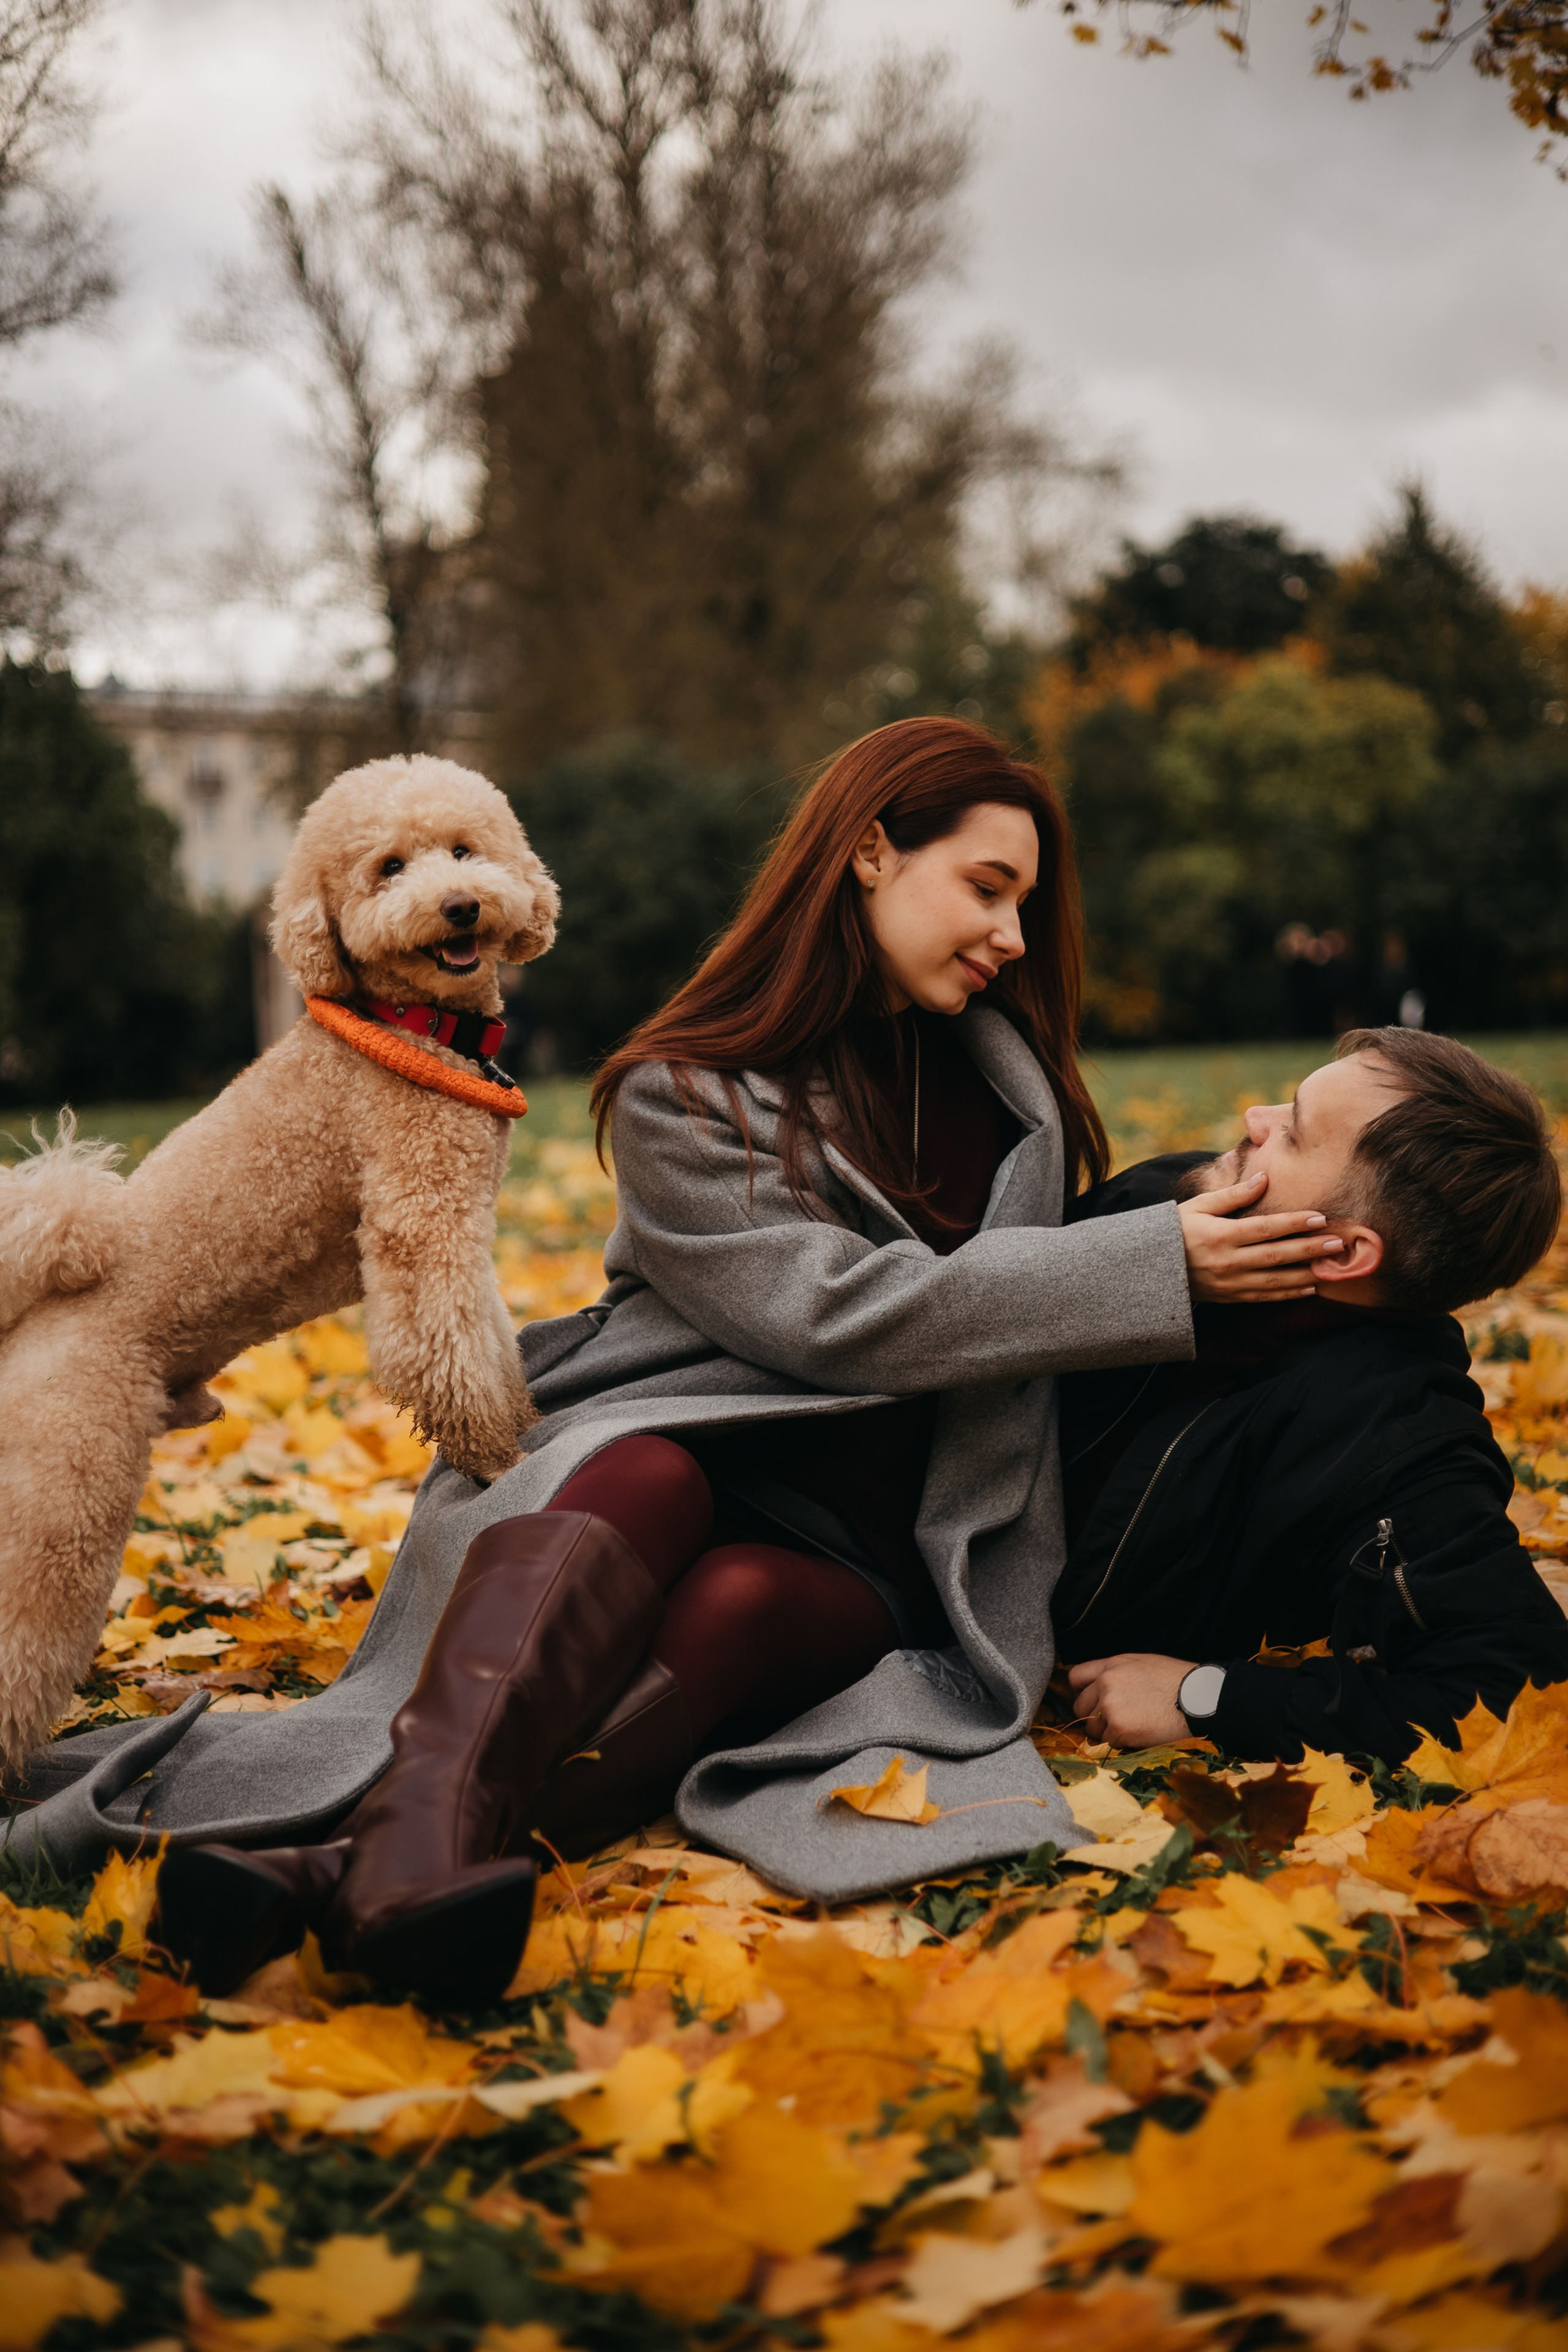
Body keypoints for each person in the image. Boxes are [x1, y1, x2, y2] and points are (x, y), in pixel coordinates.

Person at [141, 716, 1336, 2000]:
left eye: (1024, 905)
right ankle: (394, 1875)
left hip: (888, 1540)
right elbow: (835, 1318)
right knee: (648, 1479)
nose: (1011, 936)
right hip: (682, 1446)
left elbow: (1062, 1281)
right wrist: (1152, 1268)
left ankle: (341, 1869)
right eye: (986, 890)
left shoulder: (1016, 1093)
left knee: (742, 1608)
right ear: (870, 854)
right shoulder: (681, 1092)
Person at [1059, 1027, 1568, 1762]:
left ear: (1344, 1250)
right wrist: (1135, 1269)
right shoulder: (1170, 1199)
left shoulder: (1393, 1435)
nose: (1252, 1119)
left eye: (1291, 1134)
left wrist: (1205, 1696)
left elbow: (1510, 1686)